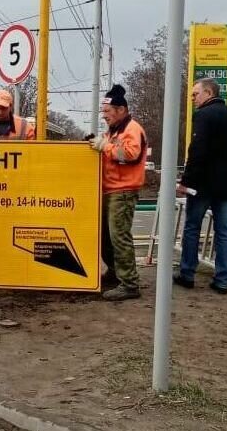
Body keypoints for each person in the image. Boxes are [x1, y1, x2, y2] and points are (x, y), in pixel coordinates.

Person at [174, 78, 227, 294]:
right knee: (224, 231)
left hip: (202, 185)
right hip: (226, 184)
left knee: (192, 228)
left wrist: (186, 181)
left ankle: (187, 273)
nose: (192, 98)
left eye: (195, 94)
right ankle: (223, 279)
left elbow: (197, 150)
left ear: (208, 93)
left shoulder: (203, 115)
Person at [90, 84, 148, 301]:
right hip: (110, 190)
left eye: (107, 111)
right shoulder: (114, 131)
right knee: (105, 236)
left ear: (121, 109)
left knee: (119, 237)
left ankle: (130, 283)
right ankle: (116, 273)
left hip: (123, 191)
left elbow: (131, 154)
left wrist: (104, 147)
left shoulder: (132, 129)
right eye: (103, 111)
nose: (104, 116)